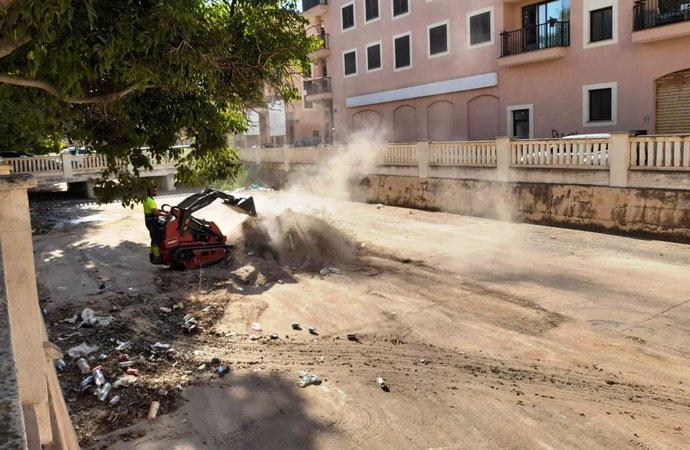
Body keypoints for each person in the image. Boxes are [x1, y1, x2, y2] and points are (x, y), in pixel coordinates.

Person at [143, 185, 167, 264]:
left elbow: (154, 209)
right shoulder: (150, 200)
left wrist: (164, 211)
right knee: (155, 239)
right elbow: (155, 212)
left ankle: (153, 255)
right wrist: (166, 215)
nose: (157, 192)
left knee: (153, 237)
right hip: (153, 222)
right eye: (155, 191)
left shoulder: (147, 198)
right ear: (151, 191)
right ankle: (157, 258)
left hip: (149, 222)